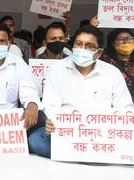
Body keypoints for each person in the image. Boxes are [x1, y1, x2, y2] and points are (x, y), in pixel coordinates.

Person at [29, 25, 133, 158]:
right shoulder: (57, 70)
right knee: (36, 140)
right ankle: (90, 155)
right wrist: (51, 122)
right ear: (72, 46)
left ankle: (77, 154)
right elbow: (50, 105)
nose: (82, 49)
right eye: (79, 44)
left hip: (102, 133)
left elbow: (125, 108)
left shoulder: (112, 73)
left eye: (89, 46)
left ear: (99, 52)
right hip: (66, 132)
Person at [100, 28, 133, 101]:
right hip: (115, 107)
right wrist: (91, 27)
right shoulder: (105, 61)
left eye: (129, 38)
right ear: (112, 43)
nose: (126, 42)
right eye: (121, 39)